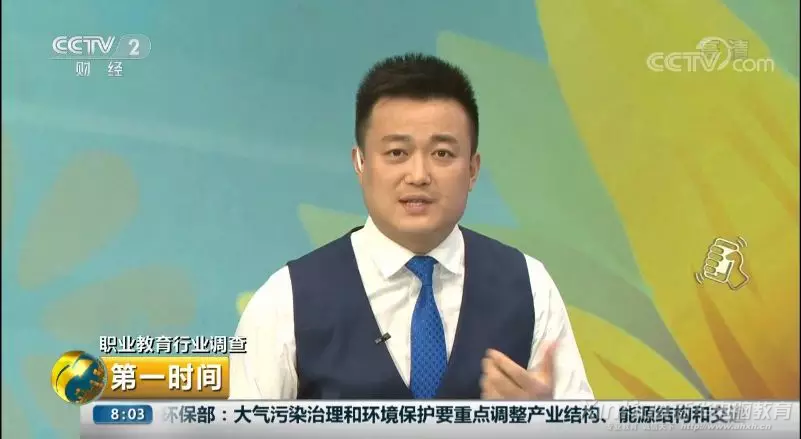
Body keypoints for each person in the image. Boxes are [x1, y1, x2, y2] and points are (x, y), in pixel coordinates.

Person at [230, 53, 593, 400]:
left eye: (442, 154)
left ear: (473, 170)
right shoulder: (286, 301)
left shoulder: (529, 286)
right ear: (360, 163)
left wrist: (545, 423)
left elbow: (590, 426)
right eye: (397, 153)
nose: (418, 175)